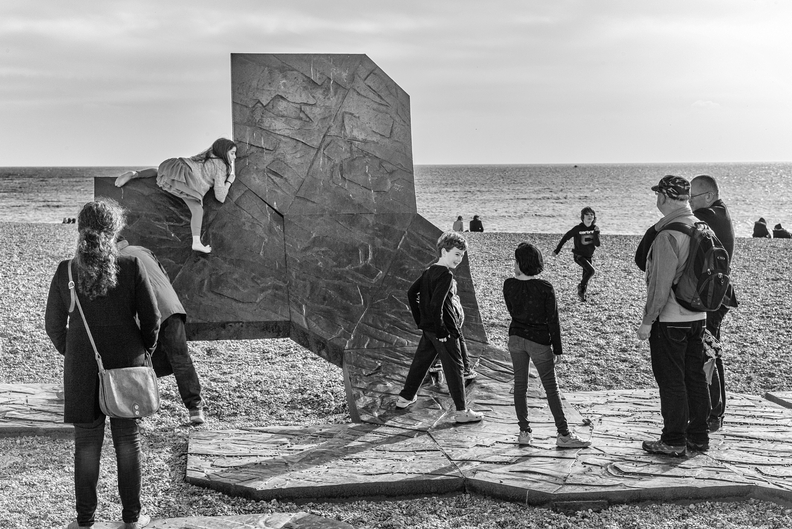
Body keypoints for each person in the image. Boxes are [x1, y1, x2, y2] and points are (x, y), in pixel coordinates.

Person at [45, 200, 158, 529]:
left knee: (87, 445)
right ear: (114, 230)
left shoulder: (66, 270)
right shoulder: (132, 265)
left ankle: (85, 522)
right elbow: (152, 320)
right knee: (127, 442)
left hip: (81, 367)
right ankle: (132, 521)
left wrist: (75, 353)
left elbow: (53, 326)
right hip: (126, 363)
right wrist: (144, 351)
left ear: (81, 230)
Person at [637, 175, 709, 457]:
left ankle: (674, 440)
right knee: (695, 377)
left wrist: (647, 321)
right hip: (698, 315)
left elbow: (660, 285)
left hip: (671, 320)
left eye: (658, 194)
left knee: (672, 381)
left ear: (665, 197)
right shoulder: (701, 227)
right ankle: (699, 438)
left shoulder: (669, 235)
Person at [504, 242, 591, 448]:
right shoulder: (544, 287)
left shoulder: (509, 284)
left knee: (520, 385)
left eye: (515, 260)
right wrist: (558, 350)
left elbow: (512, 311)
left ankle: (524, 432)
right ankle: (563, 434)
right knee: (551, 388)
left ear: (519, 263)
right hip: (538, 341)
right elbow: (553, 320)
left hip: (515, 338)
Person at [395, 231, 483, 424]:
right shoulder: (446, 275)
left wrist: (422, 321)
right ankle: (462, 412)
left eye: (462, 255)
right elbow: (437, 305)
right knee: (455, 368)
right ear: (444, 251)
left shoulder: (428, 272)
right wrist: (442, 330)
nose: (459, 259)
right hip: (445, 332)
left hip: (429, 330)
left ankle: (405, 398)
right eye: (457, 254)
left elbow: (411, 293)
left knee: (420, 364)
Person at [117, 236, 205, 425]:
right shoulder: (142, 249)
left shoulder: (116, 261)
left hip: (150, 313)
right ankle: (195, 408)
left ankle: (137, 408)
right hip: (173, 308)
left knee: (138, 361)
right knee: (181, 358)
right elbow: (164, 275)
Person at [115, 138, 238, 254]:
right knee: (197, 210)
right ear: (224, 151)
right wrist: (229, 181)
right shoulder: (221, 165)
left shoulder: (208, 155)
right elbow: (220, 196)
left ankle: (135, 174)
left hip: (175, 166)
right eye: (232, 153)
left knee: (158, 172)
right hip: (190, 181)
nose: (234, 157)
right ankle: (196, 242)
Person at [689, 174, 738, 432]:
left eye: (691, 197)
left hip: (713, 299)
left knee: (707, 351)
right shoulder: (720, 211)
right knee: (712, 350)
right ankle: (715, 411)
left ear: (708, 196)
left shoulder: (709, 216)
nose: (688, 202)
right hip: (718, 296)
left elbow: (684, 222)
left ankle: (714, 412)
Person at [553, 207, 601, 302]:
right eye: (587, 214)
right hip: (578, 256)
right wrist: (557, 250)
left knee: (585, 276)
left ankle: (582, 296)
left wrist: (597, 233)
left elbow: (597, 244)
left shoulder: (594, 229)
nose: (590, 216)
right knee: (591, 271)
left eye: (591, 214)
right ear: (582, 216)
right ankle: (580, 286)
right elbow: (565, 238)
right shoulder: (577, 228)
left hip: (589, 256)